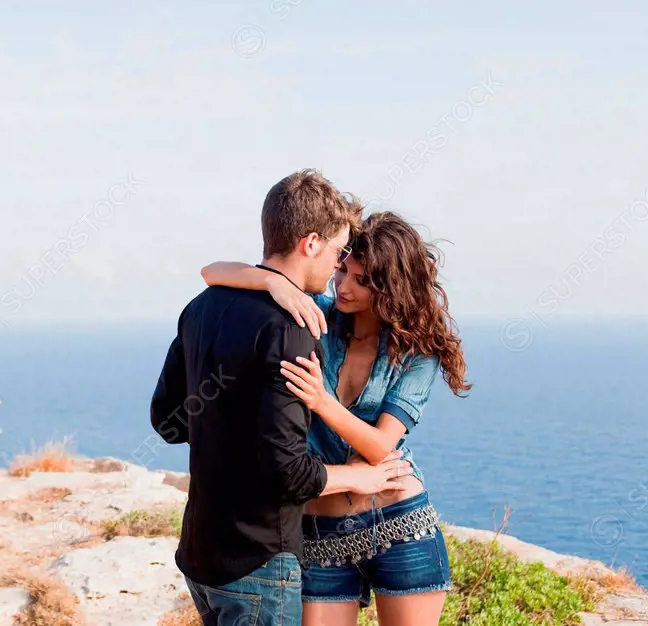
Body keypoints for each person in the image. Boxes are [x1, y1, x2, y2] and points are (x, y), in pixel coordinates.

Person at [151, 170, 415, 626]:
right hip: (258, 563)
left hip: (201, 554)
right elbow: (288, 472)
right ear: (310, 243)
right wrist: (360, 478)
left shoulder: (202, 306)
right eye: (337, 252)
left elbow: (168, 422)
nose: (338, 266)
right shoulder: (293, 327)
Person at [201, 210, 472, 626]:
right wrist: (272, 282)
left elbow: (382, 446)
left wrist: (323, 402)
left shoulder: (418, 354)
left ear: (391, 288)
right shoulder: (315, 315)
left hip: (400, 522)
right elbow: (212, 272)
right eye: (343, 270)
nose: (343, 285)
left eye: (361, 280)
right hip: (319, 528)